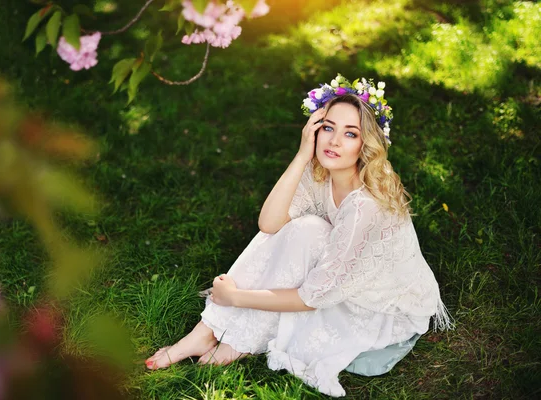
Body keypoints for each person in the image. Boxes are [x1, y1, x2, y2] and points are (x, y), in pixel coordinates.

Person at [145, 75, 454, 397]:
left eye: (350, 134)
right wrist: (302, 155)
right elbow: (270, 224)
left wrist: (233, 297)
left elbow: (312, 298)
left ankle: (237, 339)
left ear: (368, 145)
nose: (333, 141)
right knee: (303, 229)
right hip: (340, 277)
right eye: (328, 127)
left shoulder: (365, 206)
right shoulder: (323, 171)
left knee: (306, 232)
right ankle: (205, 331)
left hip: (381, 306)